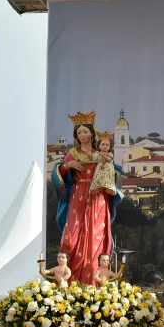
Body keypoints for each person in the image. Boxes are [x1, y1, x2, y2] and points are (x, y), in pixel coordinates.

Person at [51, 110, 124, 286]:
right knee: (73, 236)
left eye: (85, 131)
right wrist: (68, 165)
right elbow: (58, 172)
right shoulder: (72, 154)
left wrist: (111, 178)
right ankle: (71, 282)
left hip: (98, 196)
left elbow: (115, 170)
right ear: (75, 136)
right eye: (79, 132)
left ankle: (94, 282)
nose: (82, 135)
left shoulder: (101, 153)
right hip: (78, 196)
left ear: (92, 132)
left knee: (96, 236)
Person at [90, 131, 117, 196]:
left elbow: (109, 159)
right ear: (99, 145)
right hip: (100, 169)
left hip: (108, 170)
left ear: (110, 147)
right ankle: (98, 187)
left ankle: (108, 188)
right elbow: (93, 159)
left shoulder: (109, 154)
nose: (105, 146)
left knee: (108, 180)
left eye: (107, 145)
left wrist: (104, 156)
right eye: (103, 144)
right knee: (98, 179)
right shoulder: (97, 153)